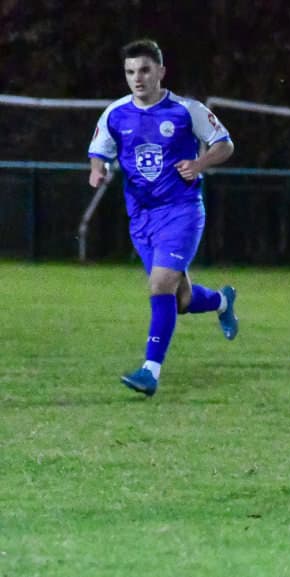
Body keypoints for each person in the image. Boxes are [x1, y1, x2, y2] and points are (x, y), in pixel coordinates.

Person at [88, 39, 238, 397]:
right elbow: (99, 151)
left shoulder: (187, 110)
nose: (137, 78)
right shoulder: (115, 113)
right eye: (130, 72)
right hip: (141, 217)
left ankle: (149, 371)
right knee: (180, 300)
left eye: (144, 70)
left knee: (160, 285)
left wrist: (199, 163)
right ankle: (222, 301)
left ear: (161, 72)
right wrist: (98, 170)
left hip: (181, 210)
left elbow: (225, 144)